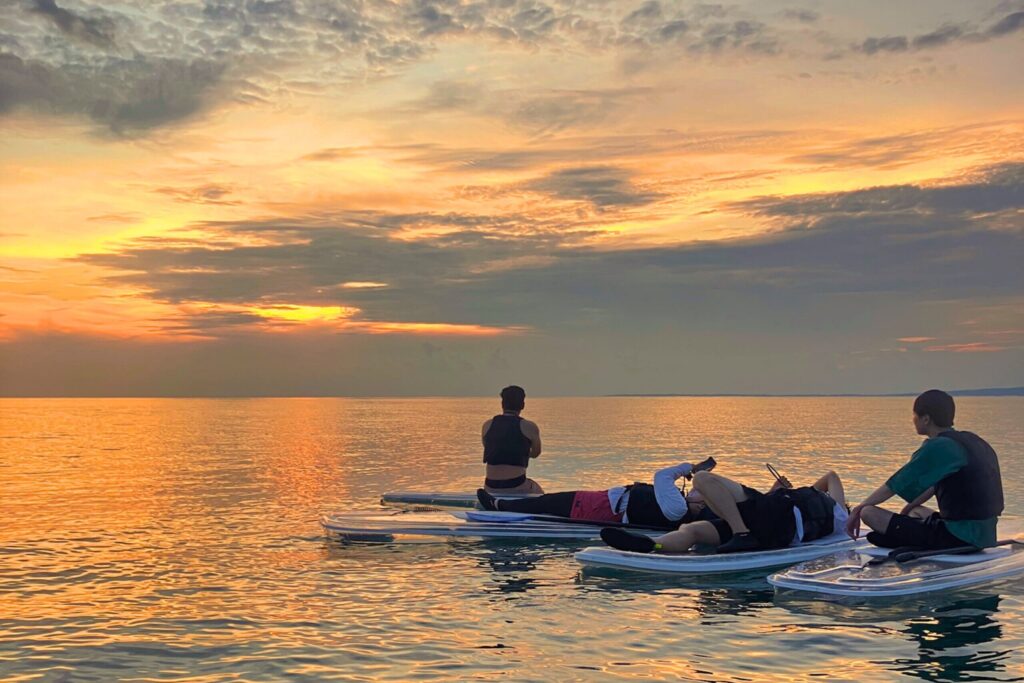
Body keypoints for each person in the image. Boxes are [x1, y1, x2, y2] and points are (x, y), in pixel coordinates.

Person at [845, 389, 1003, 550]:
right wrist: (907, 508)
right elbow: (937, 485)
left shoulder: (939, 446)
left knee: (868, 512)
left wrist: (857, 510)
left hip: (959, 537)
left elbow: (894, 485)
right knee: (914, 511)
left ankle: (905, 539)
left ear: (926, 419)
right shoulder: (972, 441)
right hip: (986, 534)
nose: (913, 420)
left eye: (914, 415)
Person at [600, 470, 848, 554]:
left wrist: (812, 490)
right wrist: (782, 490)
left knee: (703, 479)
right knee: (694, 530)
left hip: (771, 518)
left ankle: (740, 534)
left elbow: (831, 476)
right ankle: (652, 545)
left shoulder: (841, 513)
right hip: (772, 529)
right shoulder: (827, 518)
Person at [476, 458, 718, 529]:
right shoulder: (679, 507)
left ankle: (499, 506)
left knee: (547, 502)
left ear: (700, 506)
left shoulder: (679, 508)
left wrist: (691, 469)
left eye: (699, 493)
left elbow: (662, 476)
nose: (695, 490)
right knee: (548, 502)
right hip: (606, 502)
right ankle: (503, 504)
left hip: (601, 508)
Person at [482, 385, 544, 494]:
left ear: (502, 404)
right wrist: (521, 452)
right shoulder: (529, 427)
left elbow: (488, 446)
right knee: (540, 494)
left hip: (490, 486)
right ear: (523, 405)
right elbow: (535, 453)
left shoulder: (487, 425)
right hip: (516, 484)